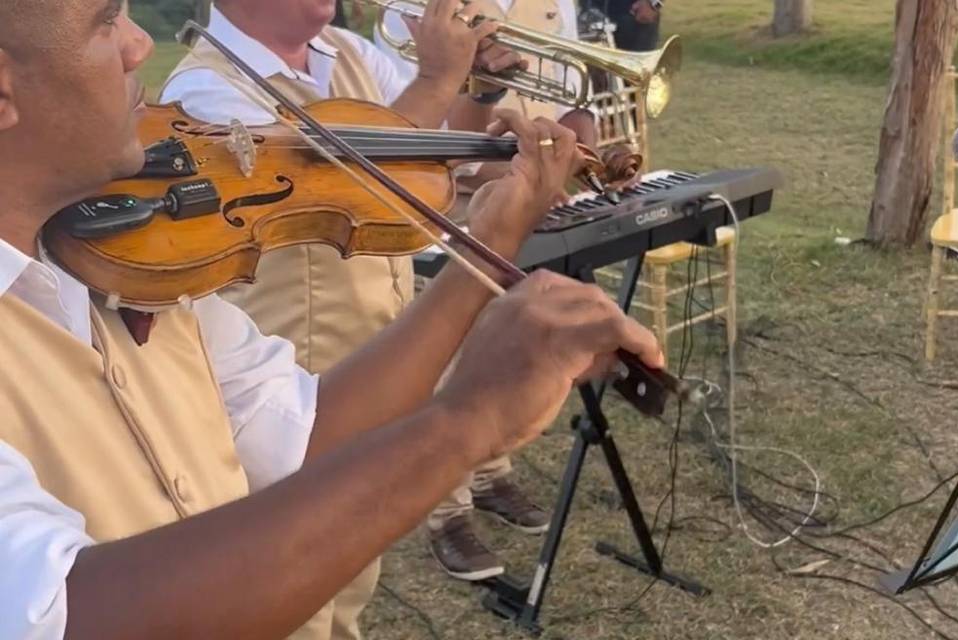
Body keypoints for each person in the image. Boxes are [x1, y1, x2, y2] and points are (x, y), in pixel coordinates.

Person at [0, 2, 664, 639]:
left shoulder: (125, 253)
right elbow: (68, 618)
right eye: (104, 20)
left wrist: (482, 249)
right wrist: (469, 418)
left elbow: (307, 433)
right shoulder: (205, 95)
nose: (139, 44)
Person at [159, 0, 526, 634]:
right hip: (283, 387)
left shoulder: (349, 53)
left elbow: (433, 151)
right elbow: (349, 189)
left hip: (374, 363)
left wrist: (478, 94)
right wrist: (439, 78)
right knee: (294, 591)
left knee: (351, 579)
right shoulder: (204, 89)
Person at [374, 0, 601, 582]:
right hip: (459, 196)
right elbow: (419, 142)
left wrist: (577, 151)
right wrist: (476, 94)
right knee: (448, 351)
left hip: (531, 193)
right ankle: (446, 512)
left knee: (505, 339)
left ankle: (490, 471)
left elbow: (576, 100)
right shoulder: (420, 11)